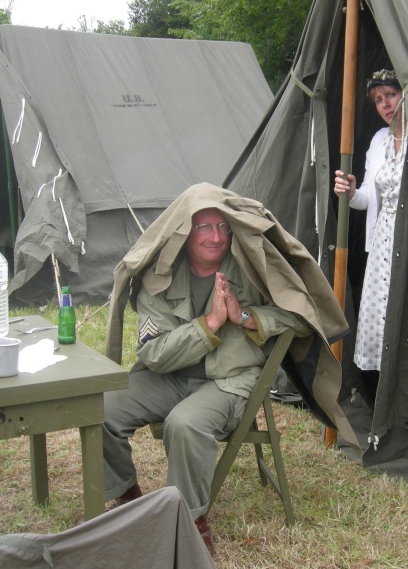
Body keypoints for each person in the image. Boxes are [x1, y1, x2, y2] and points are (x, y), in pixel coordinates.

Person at [102, 196, 321, 557]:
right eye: (203, 226)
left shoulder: (251, 269)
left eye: (222, 227)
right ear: (186, 234)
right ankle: (127, 498)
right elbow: (154, 353)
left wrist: (246, 317)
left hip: (228, 381)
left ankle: (189, 523)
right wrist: (211, 324)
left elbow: (302, 315)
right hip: (168, 377)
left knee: (185, 424)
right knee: (103, 406)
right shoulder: (160, 278)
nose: (215, 237)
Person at [333, 69, 408, 406]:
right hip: (380, 244)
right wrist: (349, 191)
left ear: (404, 93)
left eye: (390, 95)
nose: (385, 104)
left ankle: (406, 396)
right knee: (376, 323)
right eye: (379, 100)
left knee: (402, 320)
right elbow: (366, 198)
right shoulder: (379, 140)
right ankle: (379, 399)